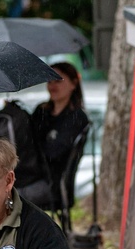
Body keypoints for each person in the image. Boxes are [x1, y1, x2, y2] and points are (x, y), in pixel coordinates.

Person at [30, 62, 89, 212]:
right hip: (30, 176)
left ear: (73, 83)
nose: (52, 86)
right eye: (49, 81)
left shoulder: (77, 118)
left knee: (8, 195)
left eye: (58, 80)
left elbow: (54, 153)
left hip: (52, 184)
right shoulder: (41, 111)